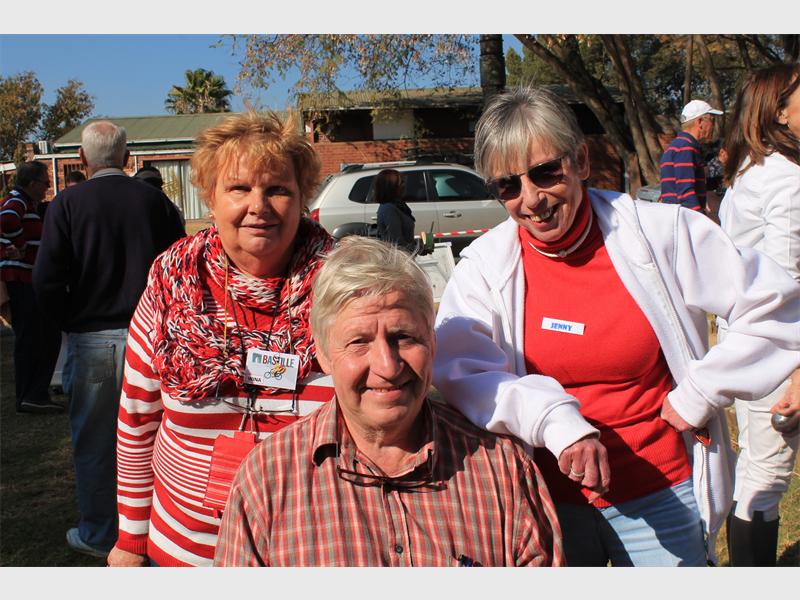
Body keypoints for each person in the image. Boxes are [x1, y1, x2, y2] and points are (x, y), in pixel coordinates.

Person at [432, 86, 800, 566]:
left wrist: (702, 391)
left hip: (660, 490)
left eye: (546, 172)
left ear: (581, 161)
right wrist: (553, 421)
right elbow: (463, 370)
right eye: (508, 186)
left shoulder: (659, 233)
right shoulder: (485, 264)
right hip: (547, 501)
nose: (532, 199)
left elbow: (777, 304)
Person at [214, 236, 563, 567]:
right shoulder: (268, 479)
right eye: (359, 342)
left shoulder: (502, 472)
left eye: (404, 337)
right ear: (323, 354)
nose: (387, 366)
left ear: (433, 343)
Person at [107, 111, 336, 567]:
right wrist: (131, 540)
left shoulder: (344, 287)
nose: (259, 205)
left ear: (302, 199)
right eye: (239, 188)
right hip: (187, 552)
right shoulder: (170, 286)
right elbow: (137, 419)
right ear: (210, 198)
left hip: (307, 549)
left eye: (278, 189)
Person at [33, 121, 186, 559]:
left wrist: (69, 320)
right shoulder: (155, 202)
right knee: (156, 439)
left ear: (82, 158)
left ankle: (100, 533)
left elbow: (46, 279)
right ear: (127, 156)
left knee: (96, 443)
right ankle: (154, 530)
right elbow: (182, 266)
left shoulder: (66, 204)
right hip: (152, 338)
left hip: (94, 340)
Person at [718, 63, 800, 566]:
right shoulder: (787, 179)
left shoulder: (754, 170)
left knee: (755, 468)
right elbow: (785, 287)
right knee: (765, 475)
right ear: (780, 112)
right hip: (774, 348)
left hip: (748, 338)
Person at [0, 161, 63, 413]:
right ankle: (31, 394)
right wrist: (19, 244)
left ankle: (33, 393)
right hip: (22, 279)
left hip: (25, 278)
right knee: (35, 337)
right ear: (32, 183)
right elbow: (6, 219)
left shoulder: (25, 203)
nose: (47, 187)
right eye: (45, 182)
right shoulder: (17, 201)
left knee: (40, 336)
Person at [659, 99, 723, 214]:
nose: (713, 126)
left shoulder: (681, 146)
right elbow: (685, 193)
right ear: (700, 122)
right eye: (712, 120)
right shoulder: (685, 148)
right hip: (683, 219)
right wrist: (700, 220)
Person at [374, 168, 416, 252]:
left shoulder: (399, 205)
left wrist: (417, 244)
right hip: (397, 257)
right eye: (401, 182)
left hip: (406, 255)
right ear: (391, 187)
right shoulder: (389, 209)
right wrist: (418, 249)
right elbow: (396, 243)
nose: (404, 185)